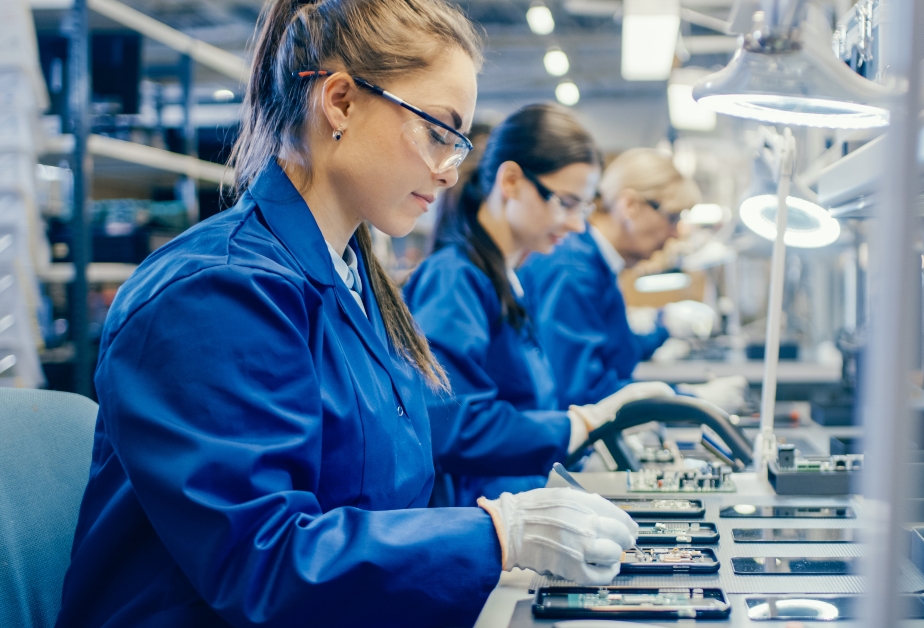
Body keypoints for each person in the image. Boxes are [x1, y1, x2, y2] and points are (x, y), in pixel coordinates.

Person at [54, 0, 636, 625]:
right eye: (439, 131)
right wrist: (495, 535)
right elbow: (266, 562)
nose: (448, 172)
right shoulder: (214, 293)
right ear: (340, 102)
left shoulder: (355, 280)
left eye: (458, 145)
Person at [404, 105, 674, 508]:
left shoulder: (507, 281)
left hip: (517, 503)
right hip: (479, 523)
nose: (577, 224)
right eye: (565, 203)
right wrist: (576, 426)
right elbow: (451, 425)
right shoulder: (455, 280)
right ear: (511, 181)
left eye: (583, 207)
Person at [521, 148, 746, 412]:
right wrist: (688, 401)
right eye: (671, 217)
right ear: (630, 206)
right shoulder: (572, 270)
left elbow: (611, 352)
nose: (675, 233)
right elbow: (582, 392)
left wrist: (662, 326)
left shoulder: (597, 264)